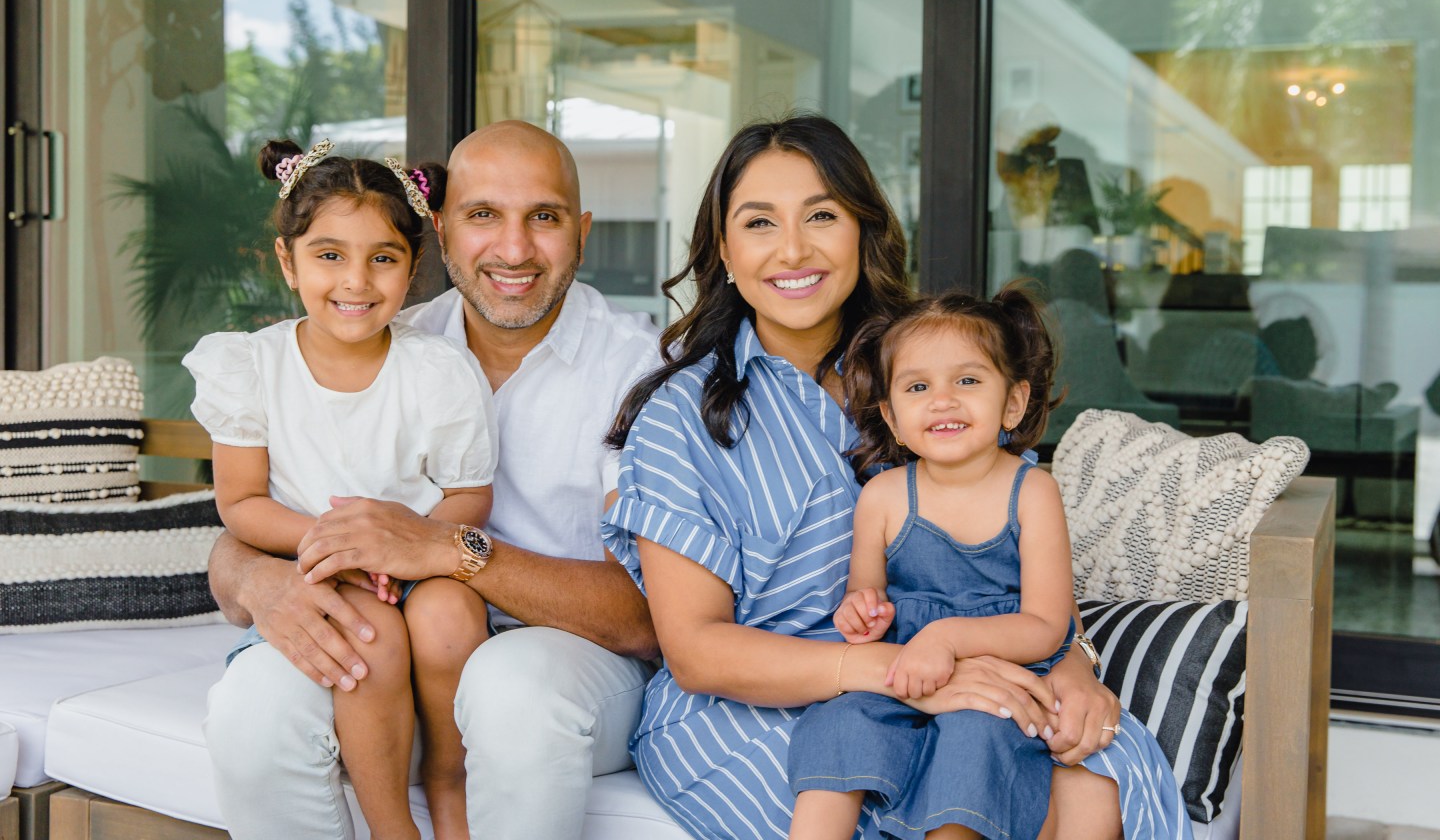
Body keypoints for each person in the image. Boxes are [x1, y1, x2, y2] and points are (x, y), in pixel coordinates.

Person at [600, 114, 1192, 840]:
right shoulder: (682, 417)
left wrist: (1072, 667)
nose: (793, 248)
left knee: (1099, 773)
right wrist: (910, 674)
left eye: (822, 214)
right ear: (723, 249)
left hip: (967, 671)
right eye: (759, 223)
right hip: (759, 707)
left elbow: (1010, 566)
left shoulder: (932, 371)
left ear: (863, 230)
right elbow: (696, 651)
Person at [203, 121, 660, 840]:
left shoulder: (643, 369)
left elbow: (646, 614)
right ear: (440, 232)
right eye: (483, 216)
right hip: (395, 644)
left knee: (512, 687)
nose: (514, 250)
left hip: (573, 657)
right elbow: (254, 513)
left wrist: (447, 550)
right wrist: (258, 581)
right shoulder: (380, 337)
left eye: (544, 217)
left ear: (584, 231)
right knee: (253, 705)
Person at [787, 285, 1185, 840]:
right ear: (892, 416)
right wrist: (862, 612)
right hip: (907, 673)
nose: (943, 399)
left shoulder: (1032, 492)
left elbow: (1047, 627)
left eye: (968, 380)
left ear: (1013, 403)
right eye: (918, 386)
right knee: (839, 723)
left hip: (1005, 670)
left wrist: (948, 637)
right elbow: (864, 595)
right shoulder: (882, 498)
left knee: (975, 739)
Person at [185, 138, 497, 840]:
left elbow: (469, 496)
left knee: (448, 621)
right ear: (287, 261)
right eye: (330, 255)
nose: (356, 281)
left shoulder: (438, 371)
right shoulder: (249, 367)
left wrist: (407, 548)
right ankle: (393, 827)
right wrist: (339, 546)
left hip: (422, 561)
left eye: (381, 258)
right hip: (320, 567)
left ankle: (450, 781)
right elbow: (240, 504)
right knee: (369, 636)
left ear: (412, 268)